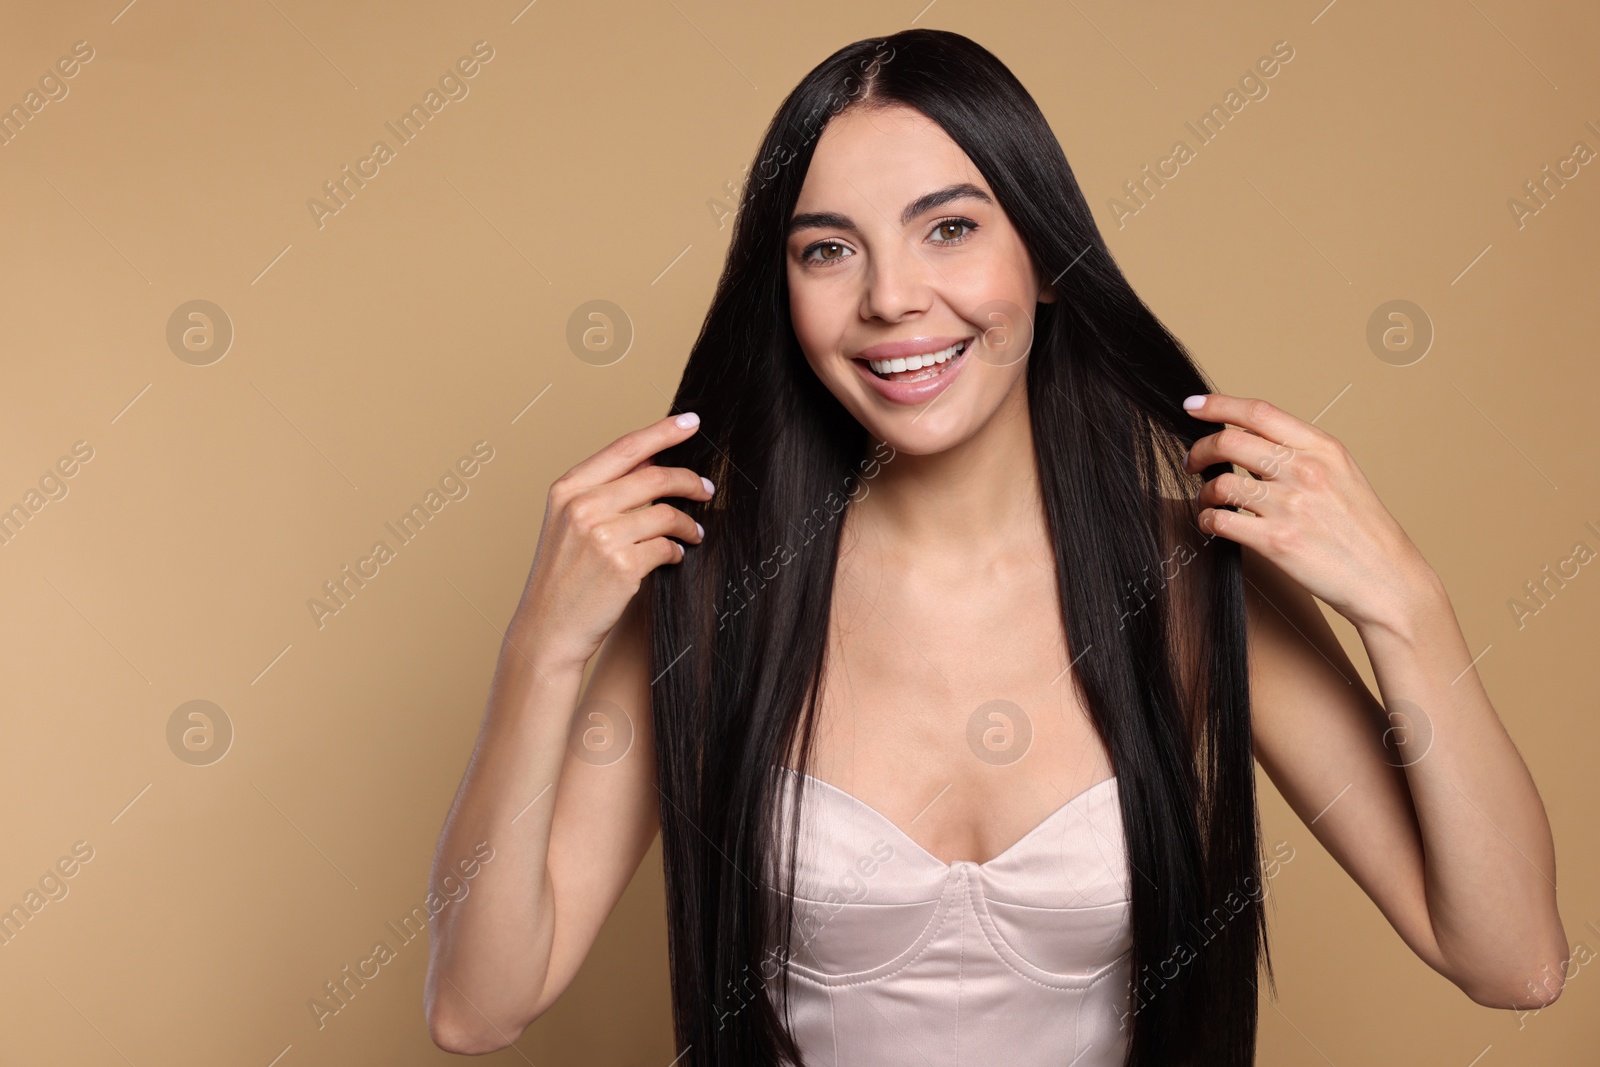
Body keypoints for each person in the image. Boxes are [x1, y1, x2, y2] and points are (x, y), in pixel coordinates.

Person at [423, 28, 1566, 1066]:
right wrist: (542, 644)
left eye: (951, 228)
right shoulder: (713, 598)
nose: (891, 298)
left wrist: (1406, 605)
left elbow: (1511, 959)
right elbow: (479, 1007)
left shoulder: (1189, 580)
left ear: (1048, 259)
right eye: (827, 250)